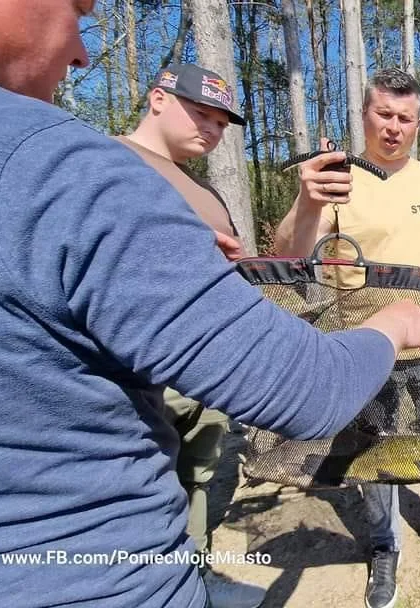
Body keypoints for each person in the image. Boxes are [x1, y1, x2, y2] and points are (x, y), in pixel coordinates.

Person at [0, 3, 420, 607]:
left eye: (221, 119)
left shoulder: (164, 186)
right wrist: (393, 322)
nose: (81, 51)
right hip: (91, 572)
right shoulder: (68, 165)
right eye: (78, 10)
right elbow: (306, 387)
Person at [274, 68, 420, 608]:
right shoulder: (338, 179)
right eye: (384, 115)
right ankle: (383, 544)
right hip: (366, 346)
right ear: (365, 115)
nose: (394, 127)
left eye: (405, 118)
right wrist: (306, 202)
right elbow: (289, 255)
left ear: (419, 122)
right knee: (373, 453)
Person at [117, 62, 267, 608]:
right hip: (132, 376)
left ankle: (194, 578)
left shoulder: (206, 191)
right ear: (157, 99)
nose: (212, 128)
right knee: (137, 492)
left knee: (198, 479)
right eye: (200, 112)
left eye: (222, 122)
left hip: (204, 373)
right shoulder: (105, 162)